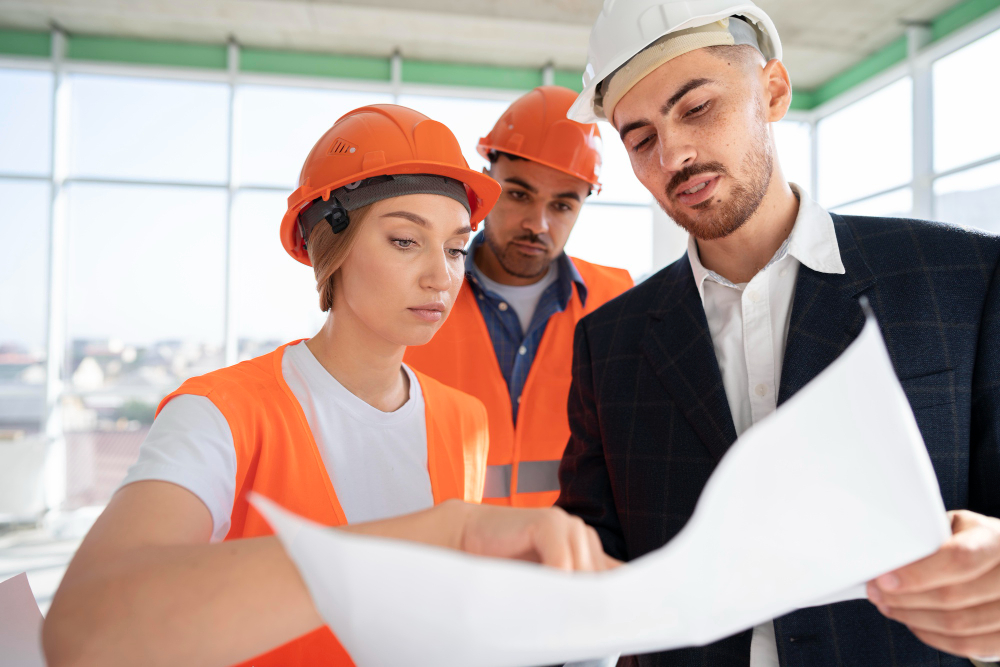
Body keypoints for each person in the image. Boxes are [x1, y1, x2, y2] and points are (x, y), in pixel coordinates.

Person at [42, 104, 616, 667]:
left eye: (455, 247)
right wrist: (444, 533)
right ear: (330, 249)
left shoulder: (462, 419)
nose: (441, 276)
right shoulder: (219, 414)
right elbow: (86, 630)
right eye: (404, 241)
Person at [556, 1, 1000, 665]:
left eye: (697, 106)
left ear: (773, 91)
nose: (673, 152)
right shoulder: (609, 342)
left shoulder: (961, 279)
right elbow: (592, 563)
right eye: (641, 139)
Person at [405, 86, 633, 508]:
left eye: (562, 206)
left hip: (568, 561)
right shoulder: (418, 295)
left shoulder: (618, 304)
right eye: (518, 194)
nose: (538, 224)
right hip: (445, 558)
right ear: (487, 184)